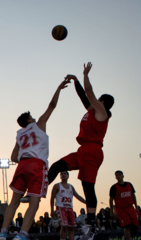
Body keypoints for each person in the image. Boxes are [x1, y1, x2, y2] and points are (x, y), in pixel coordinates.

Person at [0, 79, 70, 240]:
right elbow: (52, 106)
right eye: (32, 116)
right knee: (34, 202)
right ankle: (22, 234)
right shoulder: (40, 124)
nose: (34, 117)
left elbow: (12, 157)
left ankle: (2, 232)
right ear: (29, 120)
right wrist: (58, 88)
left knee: (13, 202)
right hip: (36, 164)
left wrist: (26, 158)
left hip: (22, 165)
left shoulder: (19, 134)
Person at [48, 62, 114, 232]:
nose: (94, 100)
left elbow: (89, 93)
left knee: (87, 187)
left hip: (93, 152)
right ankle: (38, 190)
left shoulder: (101, 112)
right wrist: (76, 80)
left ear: (102, 102)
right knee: (57, 166)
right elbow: (84, 97)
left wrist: (85, 75)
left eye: (98, 99)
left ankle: (91, 224)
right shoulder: (92, 111)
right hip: (82, 150)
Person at [50, 171, 86, 240]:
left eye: (65, 174)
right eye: (62, 174)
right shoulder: (57, 186)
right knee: (64, 226)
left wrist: (86, 202)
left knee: (71, 227)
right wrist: (52, 210)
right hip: (61, 208)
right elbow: (52, 198)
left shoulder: (71, 187)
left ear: (68, 176)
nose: (63, 175)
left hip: (70, 208)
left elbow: (77, 196)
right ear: (60, 176)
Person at [109, 170, 139, 240]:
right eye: (116, 175)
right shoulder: (114, 187)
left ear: (123, 176)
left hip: (130, 208)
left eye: (119, 174)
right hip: (121, 210)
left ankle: (127, 237)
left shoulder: (129, 185)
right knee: (127, 226)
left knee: (135, 226)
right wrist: (112, 211)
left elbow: (133, 196)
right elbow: (111, 200)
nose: (118, 176)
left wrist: (136, 206)